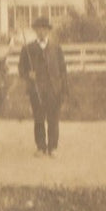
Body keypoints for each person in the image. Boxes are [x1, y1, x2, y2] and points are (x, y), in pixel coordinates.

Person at [18, 15, 69, 157]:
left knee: (53, 120)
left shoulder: (56, 48)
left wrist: (64, 90)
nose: (41, 32)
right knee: (39, 119)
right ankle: (40, 147)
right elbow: (21, 69)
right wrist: (29, 74)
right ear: (35, 31)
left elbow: (63, 69)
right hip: (36, 90)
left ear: (48, 31)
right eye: (38, 29)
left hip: (54, 89)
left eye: (44, 29)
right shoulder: (28, 48)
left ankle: (52, 147)